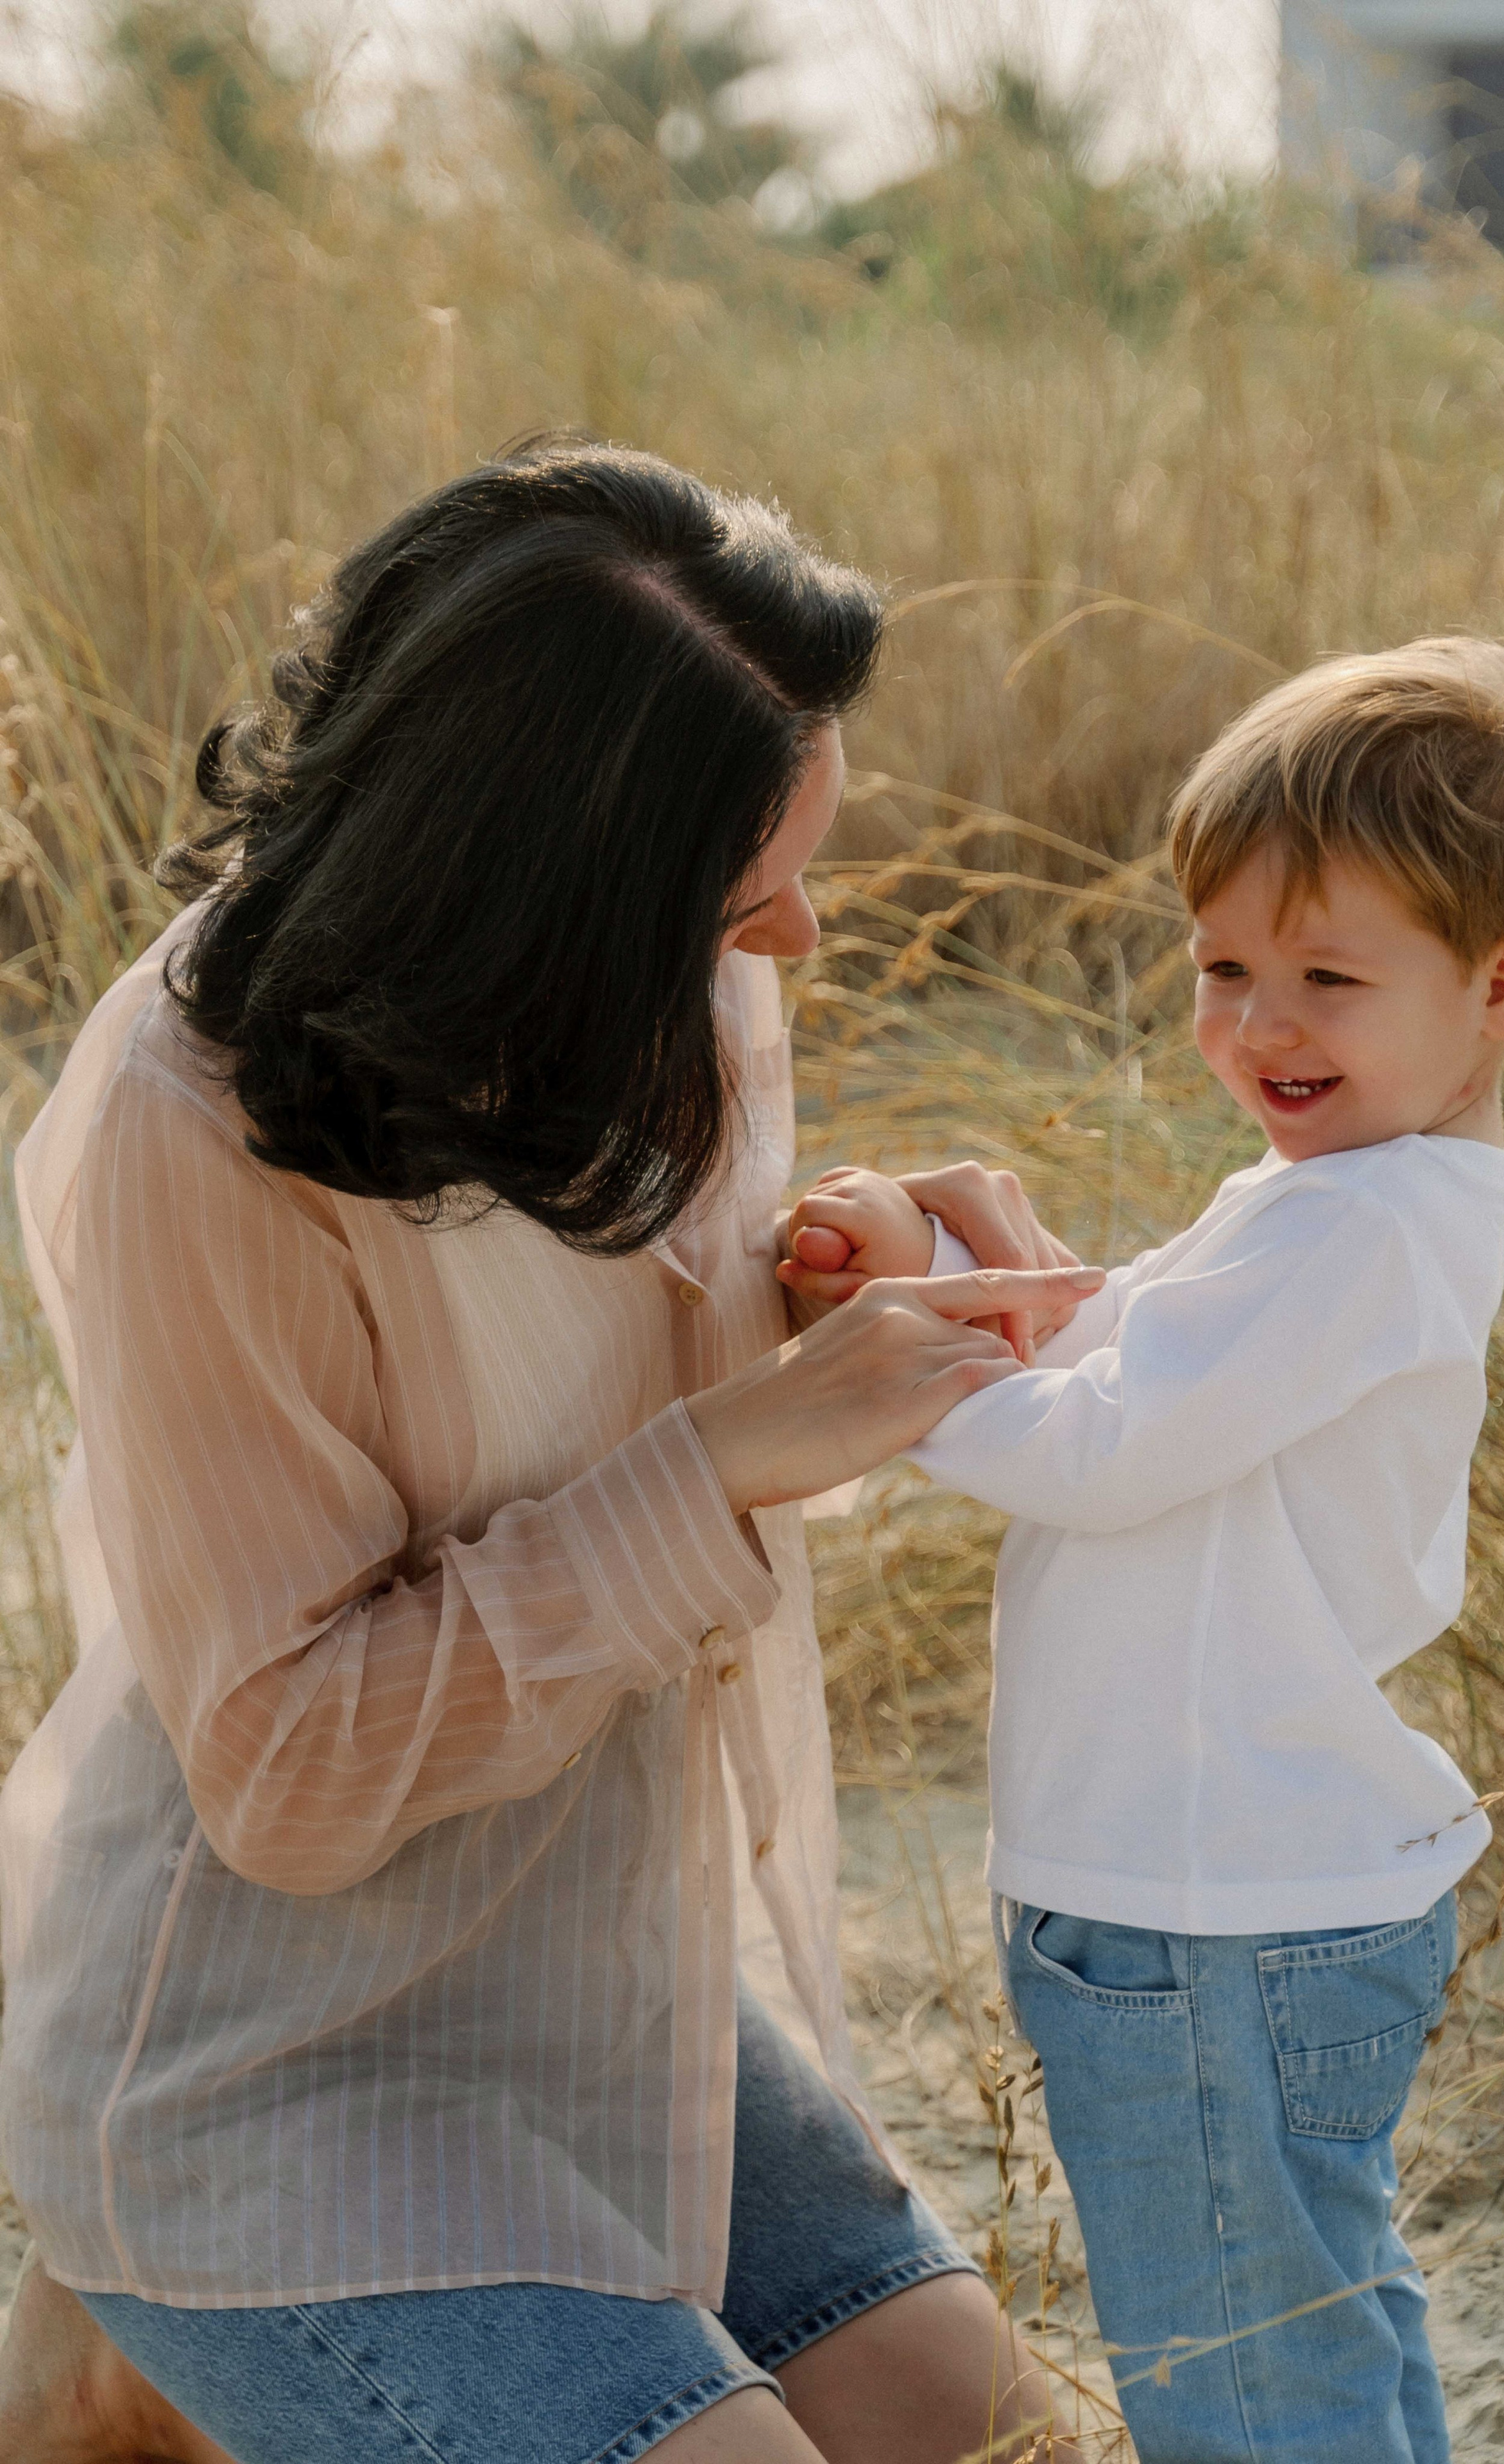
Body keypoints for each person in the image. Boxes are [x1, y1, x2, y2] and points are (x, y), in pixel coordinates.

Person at [0, 438, 1101, 2464]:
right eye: (744, 894)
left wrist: (829, 1277)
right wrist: (731, 1451)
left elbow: (636, 1406)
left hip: (563, 1929)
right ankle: (128, 2319)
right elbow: (291, 1775)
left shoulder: (658, 973)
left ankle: (140, 2371)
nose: (796, 945)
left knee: (935, 2398)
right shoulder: (198, 1119)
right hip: (266, 2028)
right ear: (530, 873)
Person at [775, 638, 1504, 2463]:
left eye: (1327, 977)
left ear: (1503, 981)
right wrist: (997, 1263)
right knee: (1311, 2328)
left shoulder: (1366, 1227)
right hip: (1228, 1894)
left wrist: (901, 1349)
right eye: (1224, 967)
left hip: (1215, 1911)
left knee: (1246, 2384)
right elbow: (1147, 1377)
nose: (1259, 1026)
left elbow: (1102, 1453)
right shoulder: (1339, 1197)